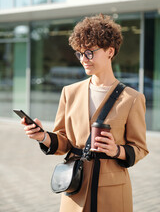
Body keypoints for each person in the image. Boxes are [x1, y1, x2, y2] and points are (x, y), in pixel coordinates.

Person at [21, 14, 149, 212]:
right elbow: (64, 142)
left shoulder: (132, 98)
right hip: (74, 188)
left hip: (113, 193)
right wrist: (44, 136)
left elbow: (140, 148)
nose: (83, 59)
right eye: (79, 53)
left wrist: (116, 151)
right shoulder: (69, 92)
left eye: (89, 52)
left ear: (110, 51)